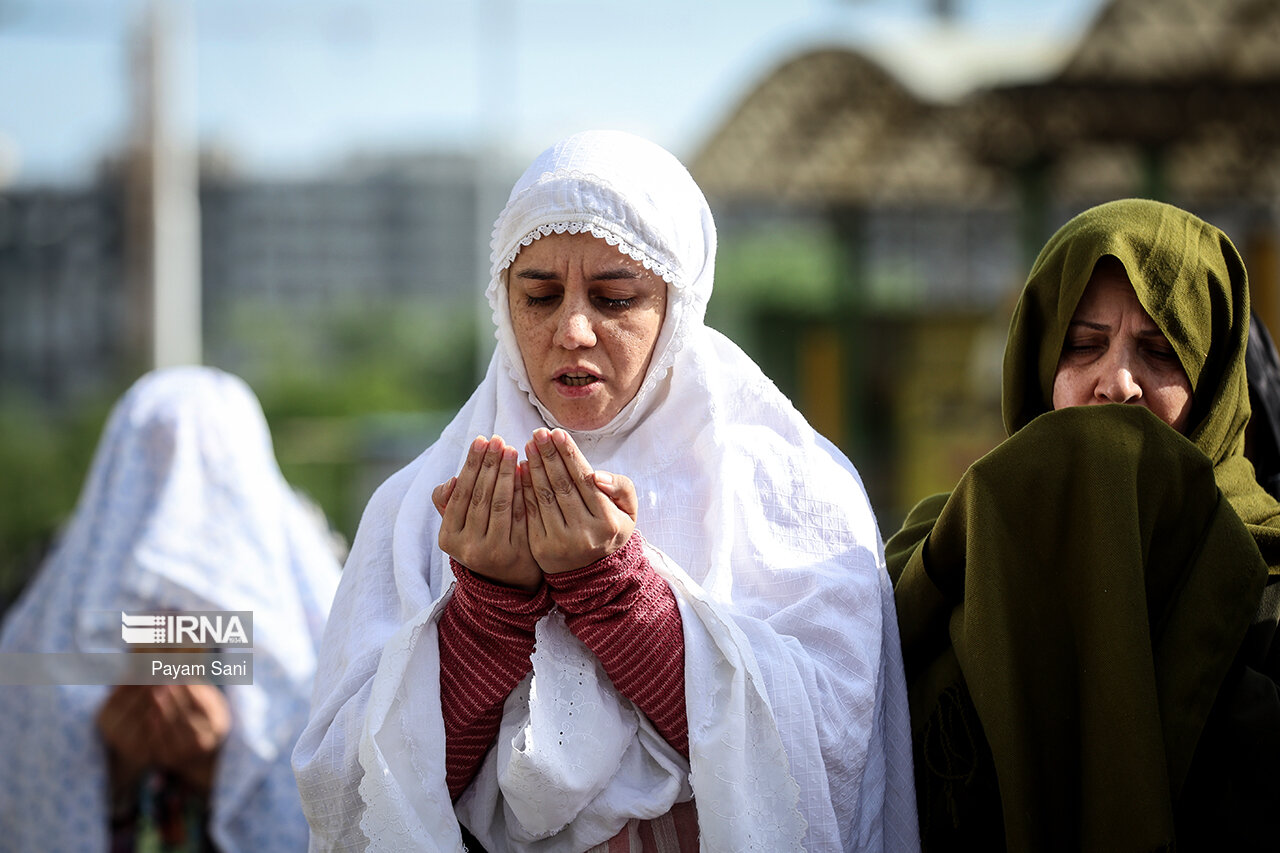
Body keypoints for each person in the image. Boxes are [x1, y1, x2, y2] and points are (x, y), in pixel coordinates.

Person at [292, 130, 918, 852]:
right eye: (540, 295)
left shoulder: (793, 491)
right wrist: (485, 614)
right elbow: (352, 797)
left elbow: (828, 761)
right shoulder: (420, 508)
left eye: (616, 297)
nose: (574, 329)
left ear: (677, 308)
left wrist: (619, 596)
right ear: (503, 304)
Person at [886, 198, 1280, 851]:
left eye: (1160, 350)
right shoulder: (933, 564)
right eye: (1084, 344)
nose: (1117, 382)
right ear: (1038, 370)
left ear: (1213, 385)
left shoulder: (1266, 586)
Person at [0, 367, 342, 852]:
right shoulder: (54, 590)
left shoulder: (321, 597)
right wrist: (111, 766)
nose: (180, 490)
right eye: (152, 457)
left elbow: (347, 797)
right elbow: (20, 765)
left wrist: (221, 768)